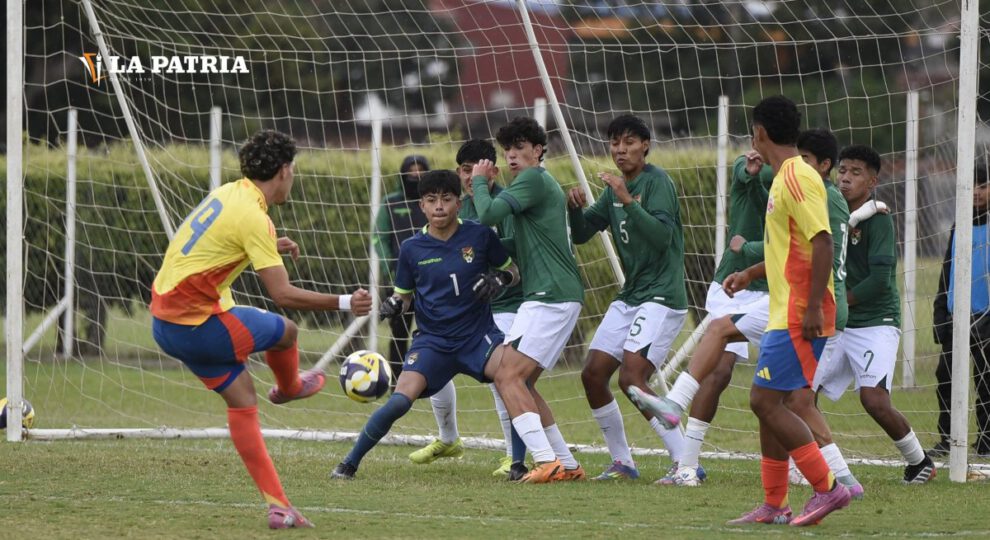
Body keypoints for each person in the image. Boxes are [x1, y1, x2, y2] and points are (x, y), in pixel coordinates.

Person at [150, 130, 372, 529]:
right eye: (294, 171)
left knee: (242, 401)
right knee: (286, 331)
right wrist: (345, 302)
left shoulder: (229, 193)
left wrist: (269, 246)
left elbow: (215, 242)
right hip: (198, 325)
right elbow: (282, 294)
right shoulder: (255, 218)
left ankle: (279, 507)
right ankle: (289, 387)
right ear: (284, 170)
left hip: (165, 325)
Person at [672, 96, 849, 525]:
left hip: (799, 312)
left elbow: (822, 241)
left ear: (760, 133)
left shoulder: (797, 177)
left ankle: (828, 488)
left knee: (765, 401)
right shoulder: (784, 176)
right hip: (781, 309)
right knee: (769, 403)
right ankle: (774, 503)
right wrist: (750, 273)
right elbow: (788, 248)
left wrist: (811, 306)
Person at [330, 170, 520, 480]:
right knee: (399, 400)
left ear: (458, 203)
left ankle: (519, 465)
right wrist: (394, 304)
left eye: (446, 199)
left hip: (478, 336)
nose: (439, 206)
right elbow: (403, 296)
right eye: (432, 200)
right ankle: (349, 463)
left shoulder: (480, 235)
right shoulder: (411, 248)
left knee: (513, 380)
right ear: (422, 205)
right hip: (433, 342)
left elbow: (513, 271)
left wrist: (499, 279)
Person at [628, 149, 774, 486]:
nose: (755, 145)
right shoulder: (750, 166)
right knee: (718, 372)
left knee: (786, 385)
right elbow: (746, 175)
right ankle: (688, 465)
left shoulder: (798, 175)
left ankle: (810, 466)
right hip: (736, 285)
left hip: (780, 287)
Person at [567, 114, 691, 482]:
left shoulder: (657, 183)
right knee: (593, 374)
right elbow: (582, 233)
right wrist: (574, 209)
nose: (620, 150)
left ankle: (685, 463)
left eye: (629, 142)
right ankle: (623, 463)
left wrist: (627, 200)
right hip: (632, 295)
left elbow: (662, 238)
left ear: (645, 146)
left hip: (662, 296)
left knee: (631, 378)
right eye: (615, 143)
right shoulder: (613, 190)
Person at [472, 117, 587, 483]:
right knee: (522, 382)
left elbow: (487, 214)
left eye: (519, 148)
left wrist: (478, 182)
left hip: (549, 295)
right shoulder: (534, 185)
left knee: (506, 375)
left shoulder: (534, 179)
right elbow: (515, 244)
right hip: (552, 295)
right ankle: (567, 465)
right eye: (507, 149)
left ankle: (546, 461)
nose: (511, 155)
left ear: (538, 151)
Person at [406, 140, 528, 481]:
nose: (472, 177)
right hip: (463, 311)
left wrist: (495, 275)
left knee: (502, 377)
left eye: (479, 170)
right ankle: (448, 439)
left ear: (493, 172)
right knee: (433, 361)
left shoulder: (505, 204)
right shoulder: (455, 207)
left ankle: (513, 456)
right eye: (465, 170)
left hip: (506, 305)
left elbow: (515, 257)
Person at [814, 144, 935, 483]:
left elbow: (881, 280)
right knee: (801, 392)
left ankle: (919, 462)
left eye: (856, 173)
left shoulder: (879, 220)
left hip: (875, 322)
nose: (846, 178)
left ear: (872, 181)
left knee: (874, 399)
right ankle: (809, 464)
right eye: (842, 170)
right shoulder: (831, 210)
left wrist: (840, 301)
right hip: (839, 322)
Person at [931, 164, 990, 458]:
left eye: (983, 185)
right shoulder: (960, 223)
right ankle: (948, 438)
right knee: (946, 377)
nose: (976, 192)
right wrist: (940, 313)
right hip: (957, 318)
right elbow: (948, 271)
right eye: (972, 185)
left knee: (986, 382)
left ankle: (986, 440)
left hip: (986, 318)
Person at [374, 155, 430, 378]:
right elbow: (378, 238)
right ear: (403, 174)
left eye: (421, 171)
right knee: (399, 333)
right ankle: (396, 381)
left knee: (430, 334)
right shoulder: (391, 202)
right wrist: (390, 267)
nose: (416, 175)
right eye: (411, 171)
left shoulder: (432, 202)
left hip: (430, 279)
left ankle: (427, 378)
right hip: (399, 281)